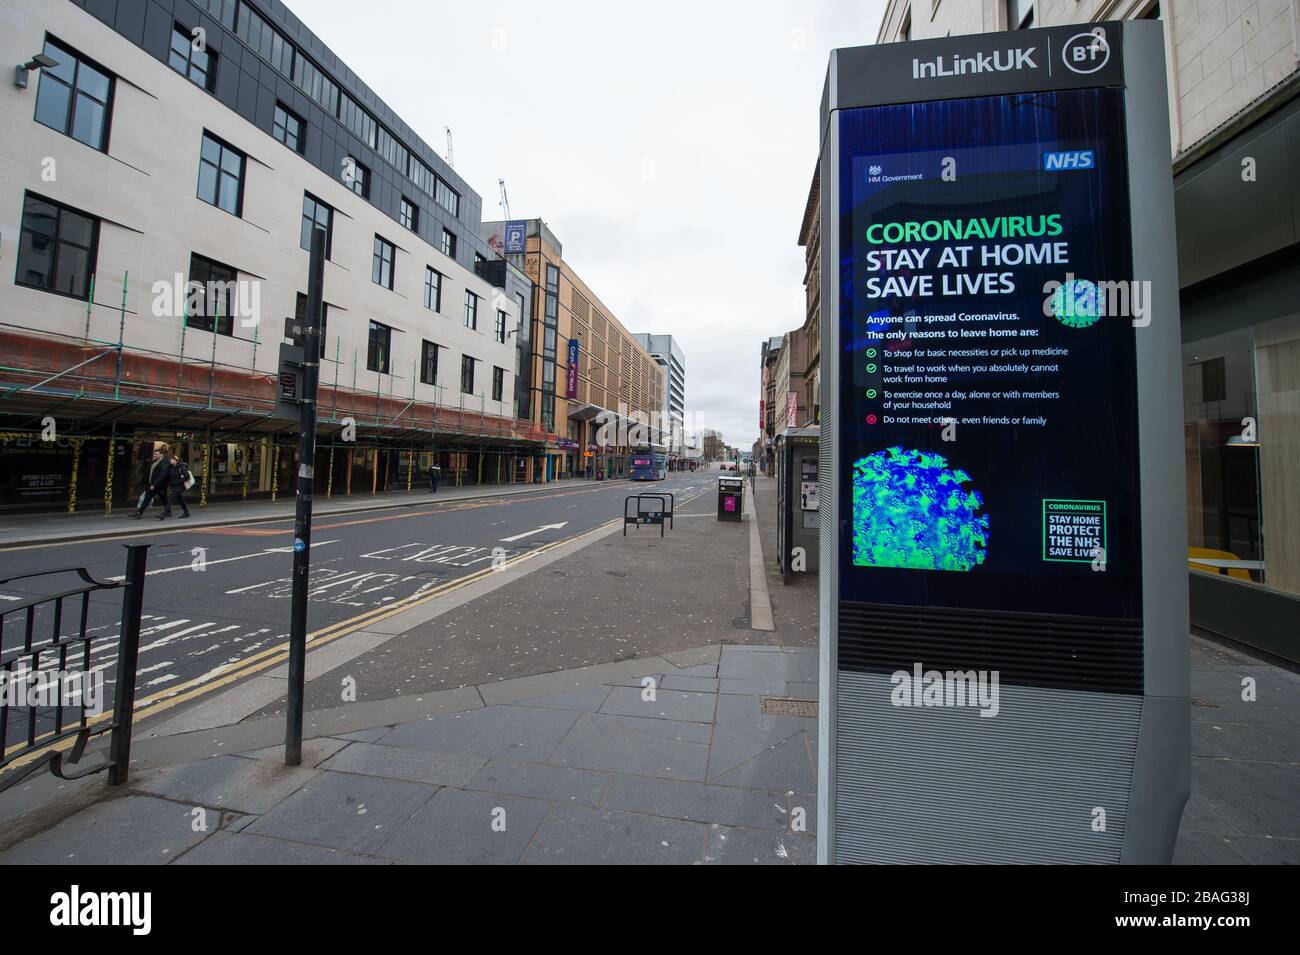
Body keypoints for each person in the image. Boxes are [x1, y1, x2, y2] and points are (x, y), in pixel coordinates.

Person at [133, 448, 170, 519]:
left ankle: (168, 511)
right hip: (151, 485)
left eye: (156, 454)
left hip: (160, 486)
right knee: (147, 499)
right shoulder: (154, 462)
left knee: (164, 499)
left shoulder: (164, 463)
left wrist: (154, 484)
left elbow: (162, 475)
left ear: (161, 454)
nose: (154, 455)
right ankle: (139, 513)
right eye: (154, 453)